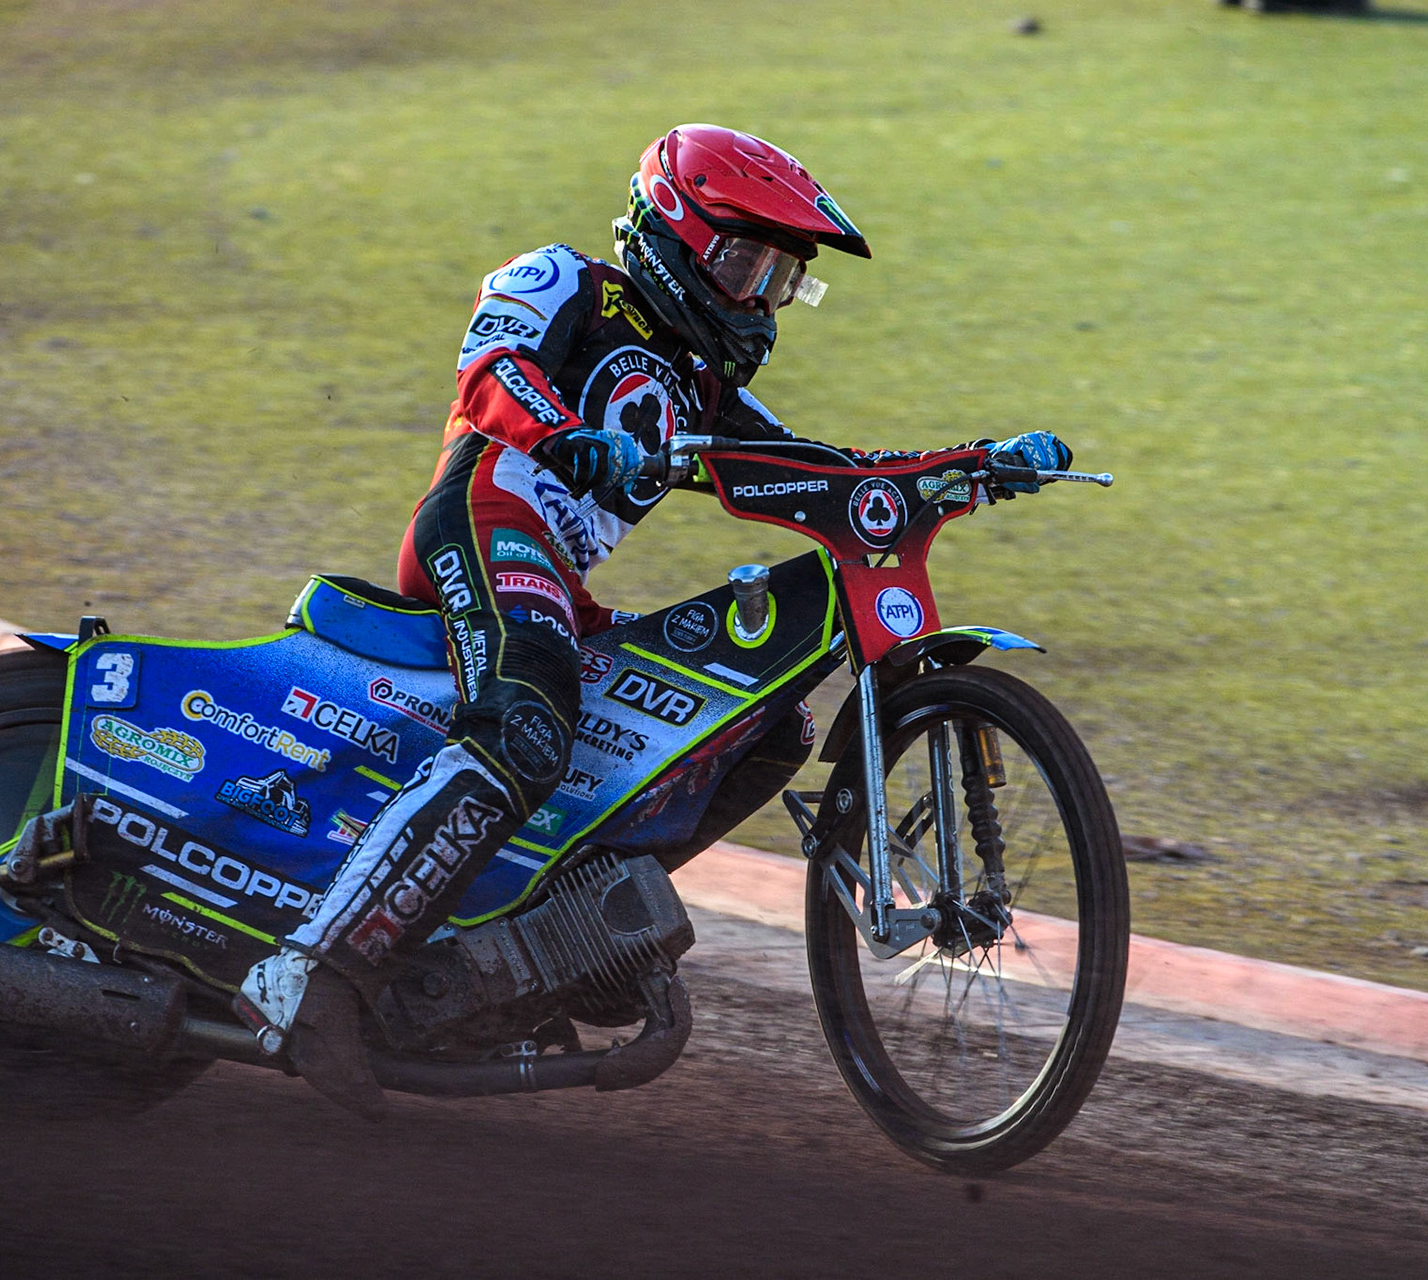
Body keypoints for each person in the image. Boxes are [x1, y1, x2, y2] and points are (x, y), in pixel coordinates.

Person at [236, 124, 1072, 1115]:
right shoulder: (565, 282)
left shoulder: (701, 384)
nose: (760, 293)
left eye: (779, 275)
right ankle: (311, 970)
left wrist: (970, 464)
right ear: (675, 231)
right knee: (527, 723)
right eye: (743, 261)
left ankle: (550, 942)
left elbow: (822, 472)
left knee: (764, 730)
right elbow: (489, 375)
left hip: (563, 586)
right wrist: (568, 438)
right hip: (487, 516)